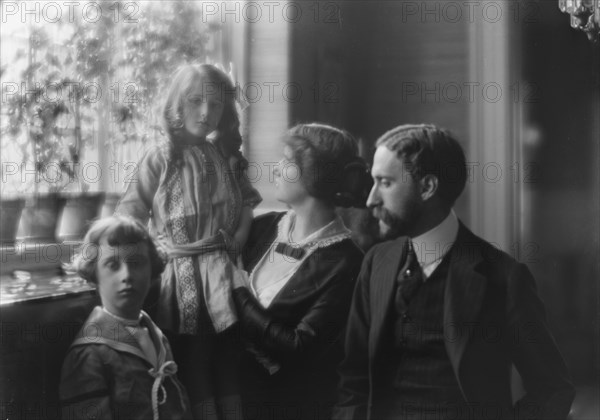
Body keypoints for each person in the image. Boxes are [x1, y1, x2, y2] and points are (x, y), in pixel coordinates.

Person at [334, 124, 575, 420]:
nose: (371, 199)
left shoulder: (503, 277)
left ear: (427, 187)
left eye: (385, 183)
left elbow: (552, 389)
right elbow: (353, 380)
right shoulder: (376, 263)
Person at [115, 64, 262, 420]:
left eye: (215, 105)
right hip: (180, 279)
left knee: (228, 359)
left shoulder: (226, 157)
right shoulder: (161, 156)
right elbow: (130, 215)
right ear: (176, 106)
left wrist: (239, 237)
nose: (206, 113)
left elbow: (245, 203)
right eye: (196, 102)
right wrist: (151, 254)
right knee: (193, 360)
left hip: (225, 273)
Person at [231, 123, 372, 420]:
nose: (277, 169)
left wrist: (239, 292)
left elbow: (298, 347)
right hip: (232, 399)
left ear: (314, 173)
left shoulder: (347, 263)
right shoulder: (262, 227)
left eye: (287, 161)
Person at [60, 215, 191, 420]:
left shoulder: (156, 336)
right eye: (113, 265)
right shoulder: (89, 353)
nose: (127, 275)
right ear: (94, 274)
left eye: (137, 263)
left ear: (152, 270)